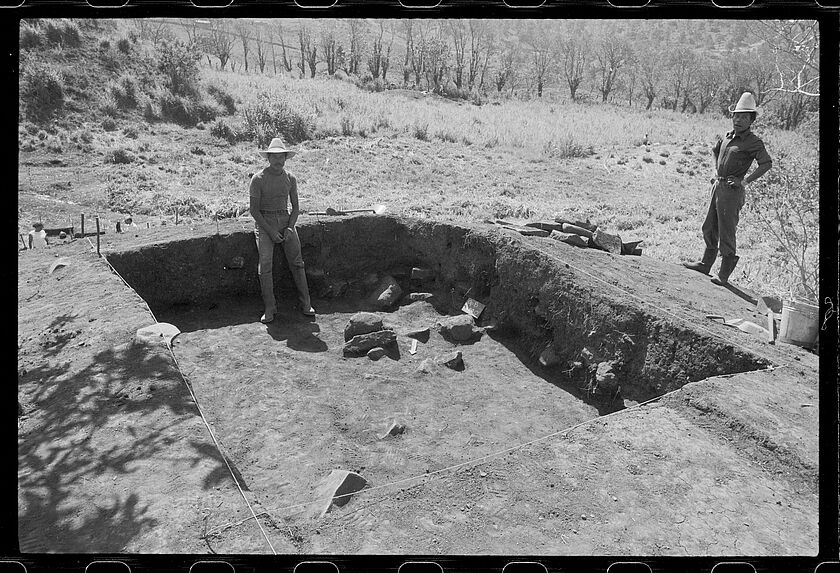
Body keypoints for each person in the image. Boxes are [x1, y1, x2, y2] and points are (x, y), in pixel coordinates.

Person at [682, 92, 772, 286]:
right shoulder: (727, 136)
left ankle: (723, 274)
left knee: (727, 230)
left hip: (732, 191)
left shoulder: (753, 142)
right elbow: (715, 151)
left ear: (751, 120)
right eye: (736, 116)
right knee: (709, 226)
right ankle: (705, 264)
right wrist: (715, 171)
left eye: (744, 117)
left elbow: (766, 163)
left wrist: (744, 181)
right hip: (718, 186)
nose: (738, 120)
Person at [250, 137, 315, 323]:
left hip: (285, 220)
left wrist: (290, 227)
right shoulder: (258, 179)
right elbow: (254, 210)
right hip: (264, 222)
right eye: (275, 157)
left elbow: (295, 207)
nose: (278, 161)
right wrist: (270, 231)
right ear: (268, 158)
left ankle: (306, 303)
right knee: (265, 264)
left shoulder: (290, 178)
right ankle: (270, 307)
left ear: (286, 158)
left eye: (282, 157)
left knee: (297, 262)